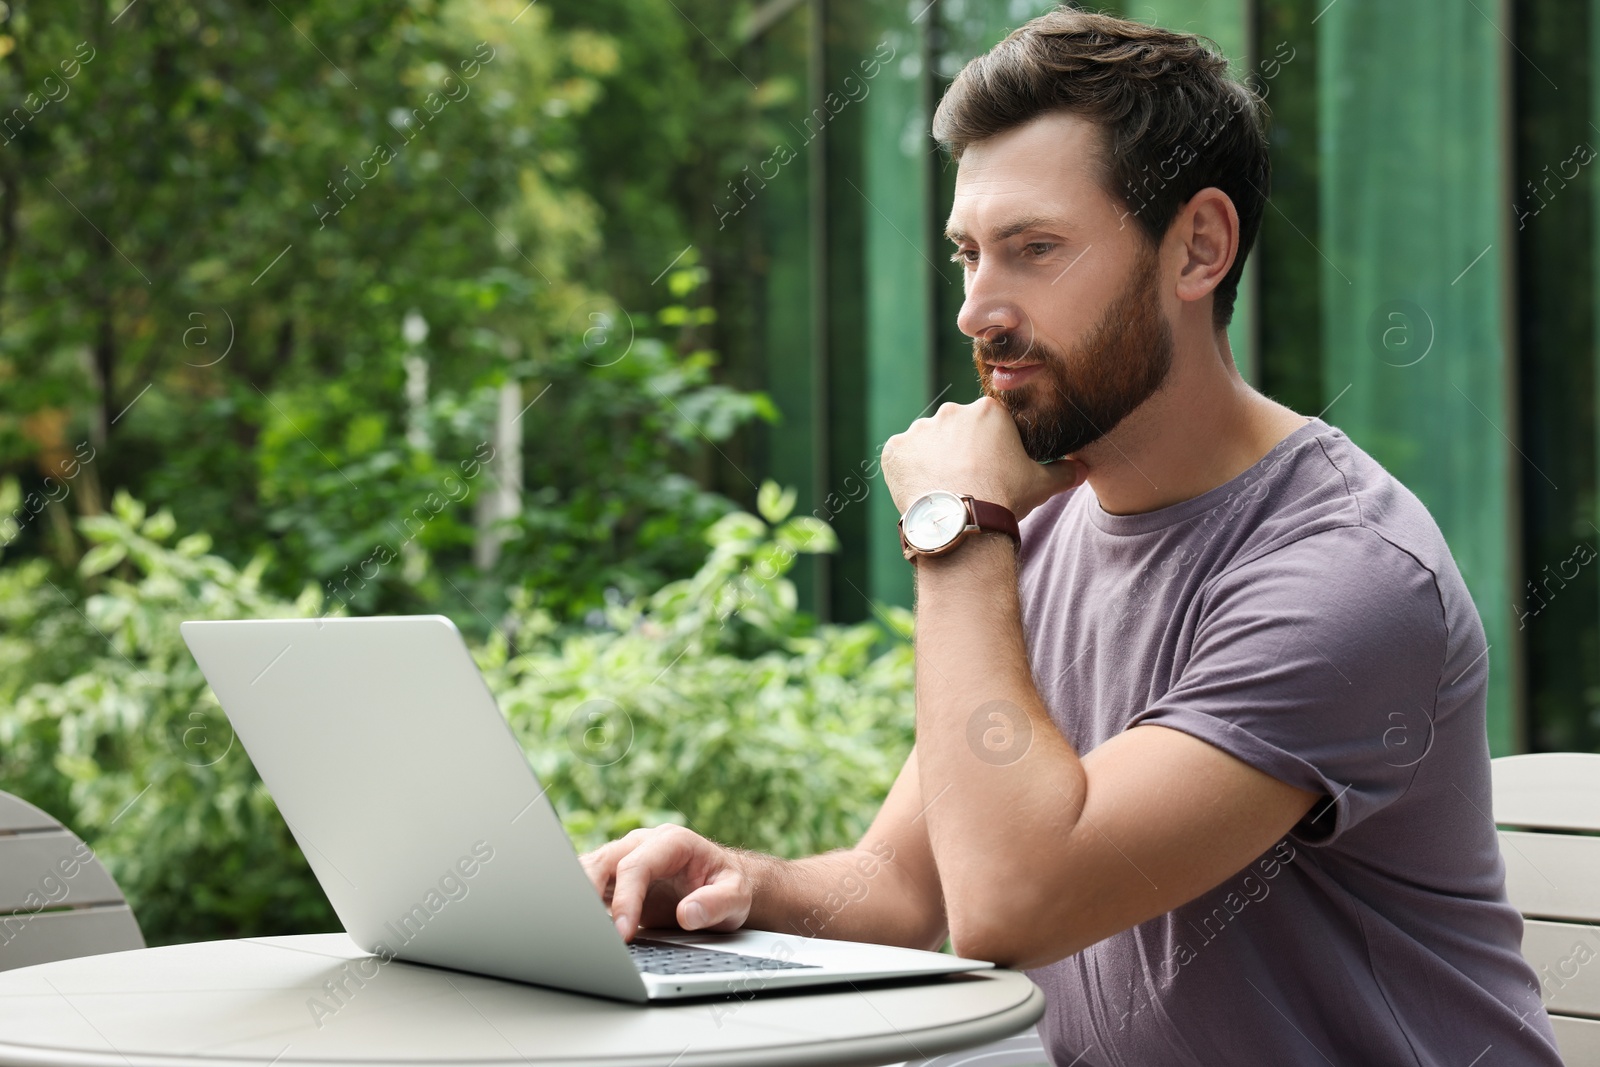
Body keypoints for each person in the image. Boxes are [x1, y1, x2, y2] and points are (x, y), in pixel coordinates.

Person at [580, 8, 1563, 1064]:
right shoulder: (1036, 525)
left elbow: (1014, 899)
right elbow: (908, 887)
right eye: (967, 254)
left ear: (1197, 247)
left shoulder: (1348, 575)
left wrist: (954, 531)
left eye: (1033, 249)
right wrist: (737, 883)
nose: (975, 309)